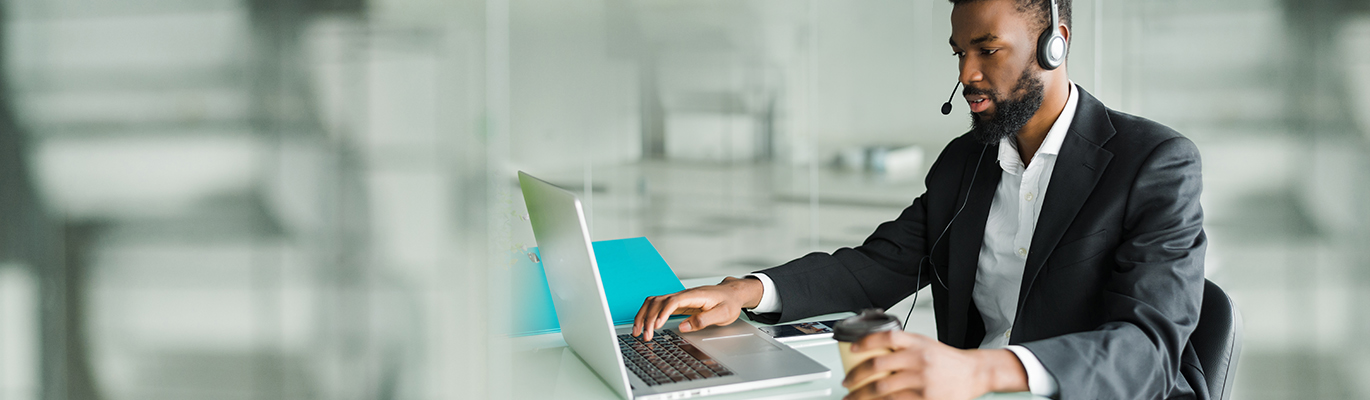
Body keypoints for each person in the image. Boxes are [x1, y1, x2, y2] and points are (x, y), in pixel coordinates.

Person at [632, 0, 1209, 399]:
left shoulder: (1153, 163)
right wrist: (745, 291)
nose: (967, 75)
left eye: (987, 50)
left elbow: (1147, 352)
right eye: (959, 52)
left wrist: (982, 370)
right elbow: (878, 266)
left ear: (1054, 45)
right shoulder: (966, 161)